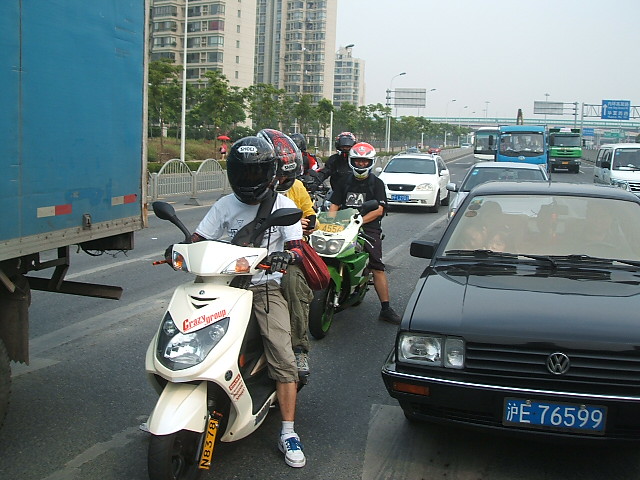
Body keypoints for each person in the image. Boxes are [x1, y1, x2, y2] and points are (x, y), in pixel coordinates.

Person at [190, 136, 306, 468]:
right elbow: (200, 238)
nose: (249, 181)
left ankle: (288, 431)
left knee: (283, 355)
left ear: (270, 173)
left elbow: (296, 245)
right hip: (220, 285)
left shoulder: (284, 207)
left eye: (256, 174)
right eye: (243, 174)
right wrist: (183, 247)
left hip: (263, 289)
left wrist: (287, 256)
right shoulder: (224, 205)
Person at [257, 128, 315, 380]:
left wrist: (306, 223)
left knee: (292, 283)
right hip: (247, 260)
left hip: (286, 256)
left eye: (284, 175)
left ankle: (299, 348)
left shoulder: (297, 189)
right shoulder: (244, 193)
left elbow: (311, 215)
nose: (280, 181)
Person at [328, 142, 402, 325]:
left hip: (367, 227)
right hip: (343, 225)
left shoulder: (377, 183)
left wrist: (360, 221)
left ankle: (386, 308)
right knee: (327, 254)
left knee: (377, 265)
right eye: (358, 161)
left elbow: (379, 210)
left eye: (365, 161)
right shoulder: (343, 181)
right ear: (352, 161)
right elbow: (334, 204)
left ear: (371, 162)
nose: (361, 165)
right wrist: (330, 220)